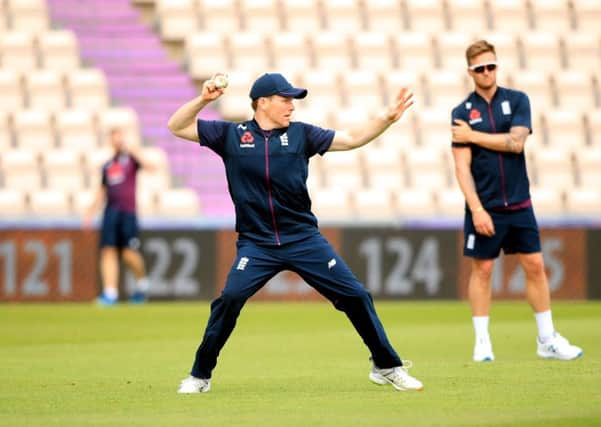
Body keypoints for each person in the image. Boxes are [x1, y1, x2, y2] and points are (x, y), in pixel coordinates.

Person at [167, 72, 423, 393]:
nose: (292, 106)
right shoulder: (232, 135)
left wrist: (386, 119)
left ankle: (386, 367)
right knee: (229, 299)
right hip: (257, 244)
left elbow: (352, 139)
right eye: (285, 99)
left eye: (293, 100)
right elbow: (176, 126)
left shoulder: (302, 135)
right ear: (263, 103)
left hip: (303, 239)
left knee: (356, 296)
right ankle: (199, 377)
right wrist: (205, 100)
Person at [450, 40, 583, 362]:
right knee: (482, 270)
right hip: (485, 207)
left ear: (497, 66)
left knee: (535, 265)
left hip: (520, 203)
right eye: (480, 68)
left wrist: (473, 136)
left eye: (491, 66)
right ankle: (482, 342)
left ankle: (546, 338)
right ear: (470, 72)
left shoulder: (517, 100)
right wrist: (477, 208)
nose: (486, 73)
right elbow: (461, 167)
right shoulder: (462, 112)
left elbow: (516, 143)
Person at [84, 128, 152, 305]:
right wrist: (90, 211)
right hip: (111, 212)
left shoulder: (131, 161)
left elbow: (151, 167)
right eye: (114, 139)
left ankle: (142, 283)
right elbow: (102, 191)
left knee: (129, 254)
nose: (118, 142)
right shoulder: (108, 165)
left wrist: (134, 150)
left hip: (128, 212)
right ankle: (110, 292)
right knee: (108, 251)